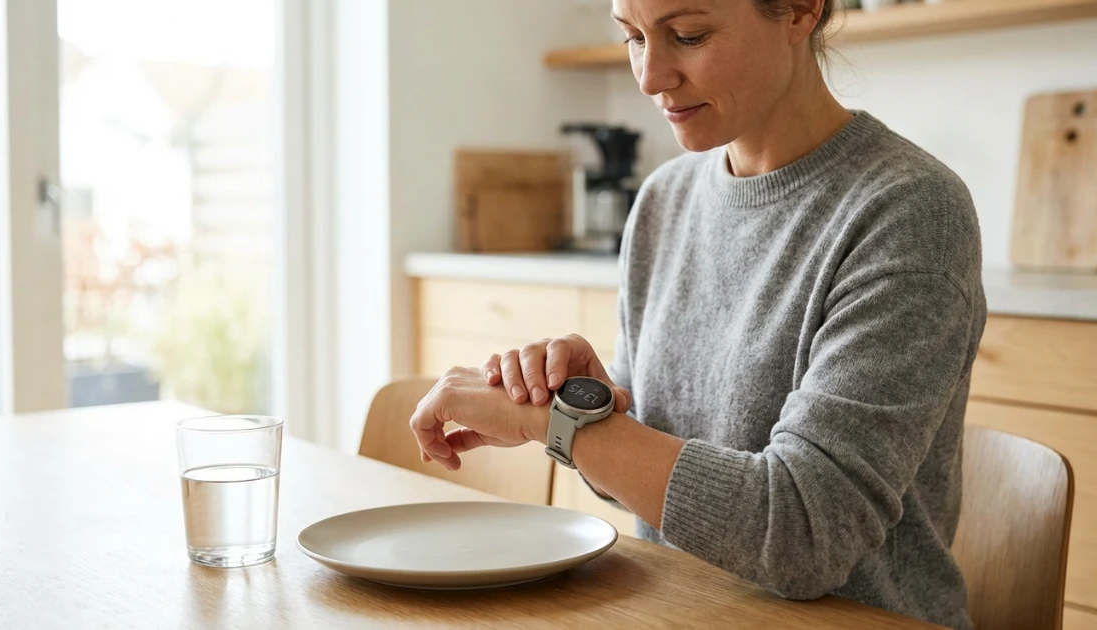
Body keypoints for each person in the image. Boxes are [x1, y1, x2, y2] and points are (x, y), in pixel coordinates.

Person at [409, 1, 986, 628]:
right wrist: (585, 404)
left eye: (688, 35)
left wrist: (562, 425)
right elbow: (643, 481)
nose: (650, 78)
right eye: (633, 37)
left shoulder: (910, 213)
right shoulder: (664, 199)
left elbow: (804, 536)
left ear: (799, 11)